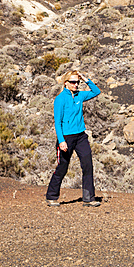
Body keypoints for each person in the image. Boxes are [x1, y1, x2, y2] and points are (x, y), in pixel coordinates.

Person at [46, 70, 101, 207]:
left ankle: (89, 198)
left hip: (81, 136)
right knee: (62, 167)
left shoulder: (80, 95)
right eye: (73, 82)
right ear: (66, 83)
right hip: (66, 137)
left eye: (77, 82)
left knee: (87, 165)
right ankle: (51, 196)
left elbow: (96, 91)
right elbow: (57, 122)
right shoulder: (60, 99)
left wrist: (86, 79)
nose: (76, 84)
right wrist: (61, 140)